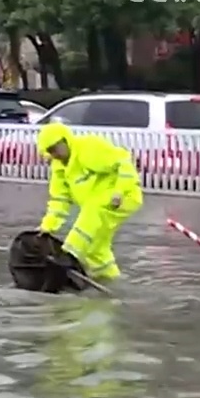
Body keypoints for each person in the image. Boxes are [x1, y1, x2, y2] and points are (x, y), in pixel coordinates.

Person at [35, 121, 143, 282]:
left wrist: (119, 191)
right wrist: (47, 227)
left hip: (124, 197)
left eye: (54, 149)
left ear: (65, 140)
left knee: (92, 210)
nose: (53, 155)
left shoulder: (88, 148)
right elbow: (59, 201)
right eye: (49, 152)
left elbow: (123, 162)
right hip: (99, 207)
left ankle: (70, 253)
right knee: (95, 248)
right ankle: (109, 279)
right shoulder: (59, 169)